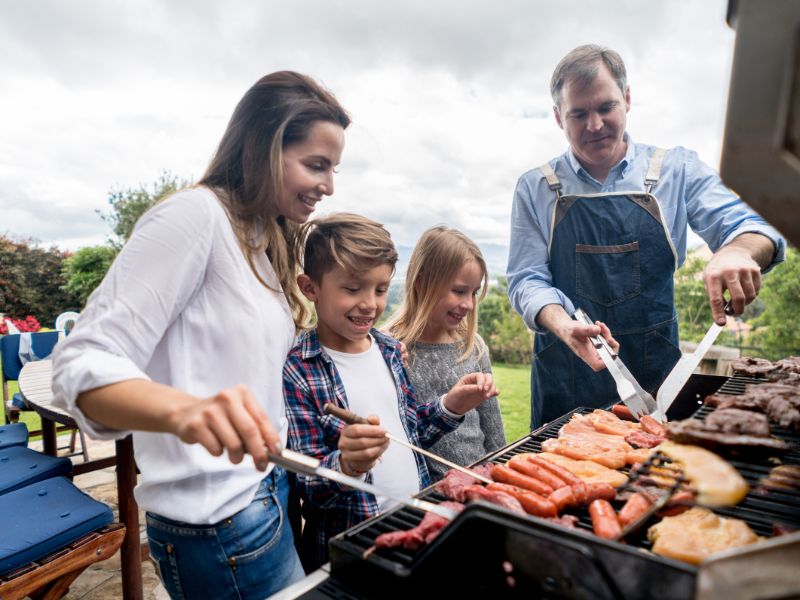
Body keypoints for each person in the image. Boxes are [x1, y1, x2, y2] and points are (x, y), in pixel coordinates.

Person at [51, 71, 350, 599]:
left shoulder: (261, 236)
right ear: (263, 148)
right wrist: (185, 411)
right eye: (316, 164)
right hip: (216, 527)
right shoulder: (193, 217)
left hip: (262, 497)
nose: (328, 185)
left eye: (333, 168)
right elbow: (81, 362)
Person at [507, 44, 786, 429]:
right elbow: (526, 278)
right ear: (558, 117)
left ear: (627, 98)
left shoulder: (676, 169)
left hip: (658, 376)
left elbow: (755, 229)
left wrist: (737, 251)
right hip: (564, 374)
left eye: (605, 108)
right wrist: (561, 322)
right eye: (578, 113)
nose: (594, 125)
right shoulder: (536, 187)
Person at [283, 213, 498, 570]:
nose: (370, 303)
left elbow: (412, 433)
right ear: (310, 288)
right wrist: (348, 465)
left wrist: (451, 405)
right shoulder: (299, 370)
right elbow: (310, 485)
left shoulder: (388, 350)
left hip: (413, 524)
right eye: (353, 289)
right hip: (354, 546)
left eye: (380, 289)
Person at [386, 225, 506, 481]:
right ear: (421, 283)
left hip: (479, 484)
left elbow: (493, 430)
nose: (469, 304)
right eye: (459, 291)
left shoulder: (473, 347)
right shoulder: (392, 350)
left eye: (473, 293)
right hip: (427, 494)